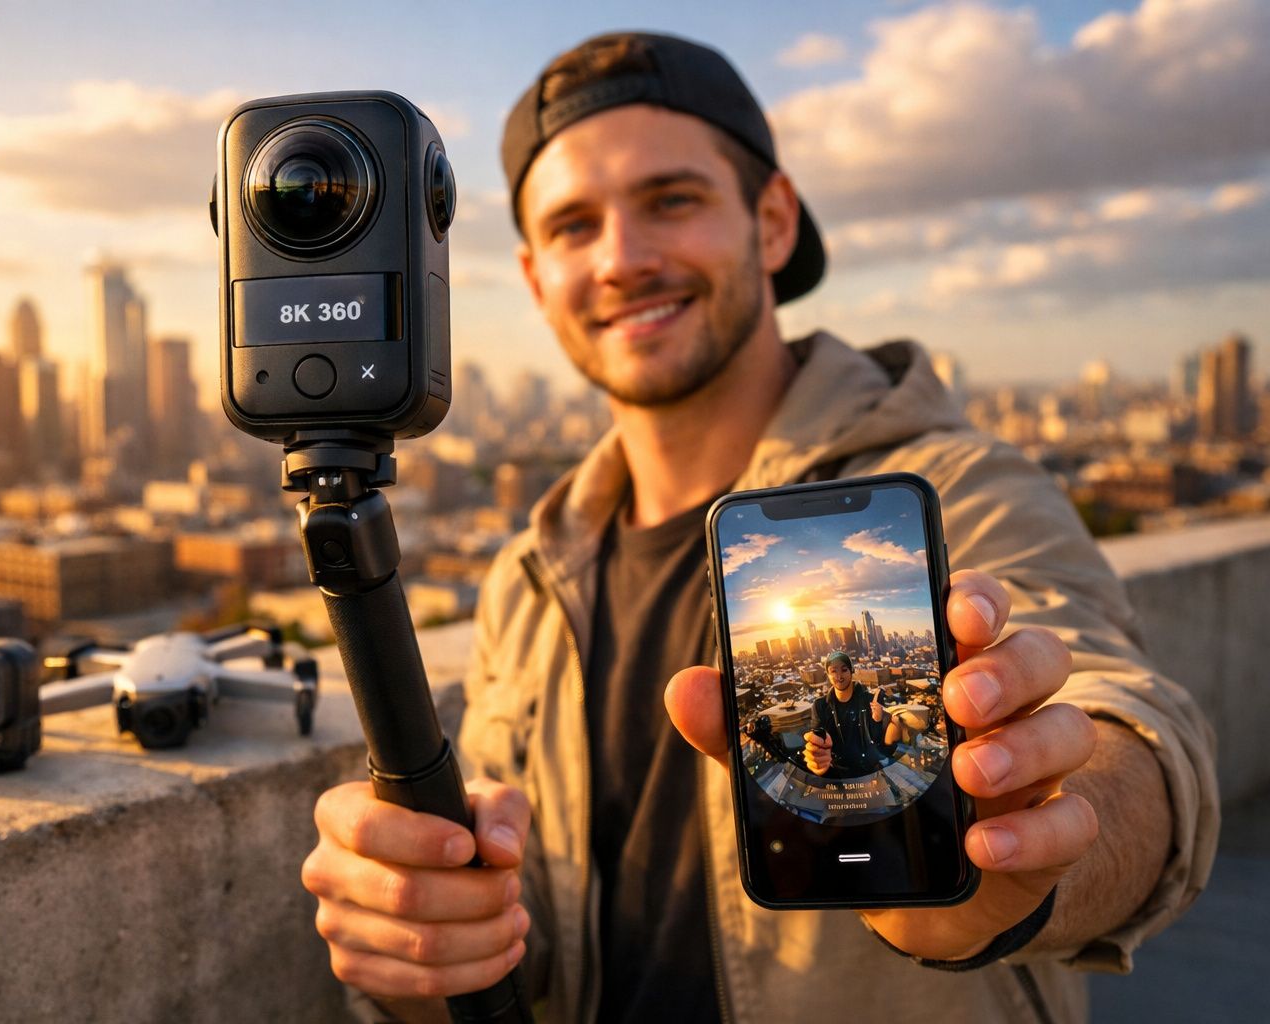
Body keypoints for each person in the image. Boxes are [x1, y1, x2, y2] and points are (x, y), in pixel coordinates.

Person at [301, 31, 1219, 1024]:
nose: (621, 259)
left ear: (772, 221)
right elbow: (533, 942)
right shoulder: (532, 573)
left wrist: (1035, 856)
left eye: (672, 200)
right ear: (534, 278)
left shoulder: (956, 485)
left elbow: (1127, 721)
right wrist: (427, 931)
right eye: (573, 226)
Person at [804, 652, 901, 778]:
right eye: (833, 671)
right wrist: (817, 756)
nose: (839, 676)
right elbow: (818, 740)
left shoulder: (871, 701)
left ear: (852, 671)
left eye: (844, 670)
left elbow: (878, 743)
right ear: (827, 675)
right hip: (837, 772)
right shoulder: (820, 705)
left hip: (869, 770)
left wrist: (878, 720)